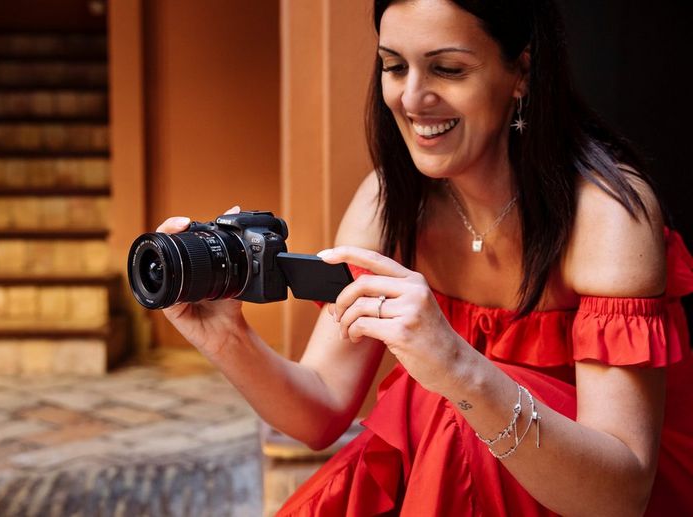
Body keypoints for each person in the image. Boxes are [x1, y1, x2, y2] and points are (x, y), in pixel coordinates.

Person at [155, 0, 693, 514]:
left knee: (442, 403)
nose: (411, 98)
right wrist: (227, 339)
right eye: (393, 66)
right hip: (453, 484)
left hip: (585, 491)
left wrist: (458, 369)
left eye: (448, 70)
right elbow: (321, 410)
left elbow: (618, 498)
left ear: (522, 72)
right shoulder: (388, 201)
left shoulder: (607, 215)